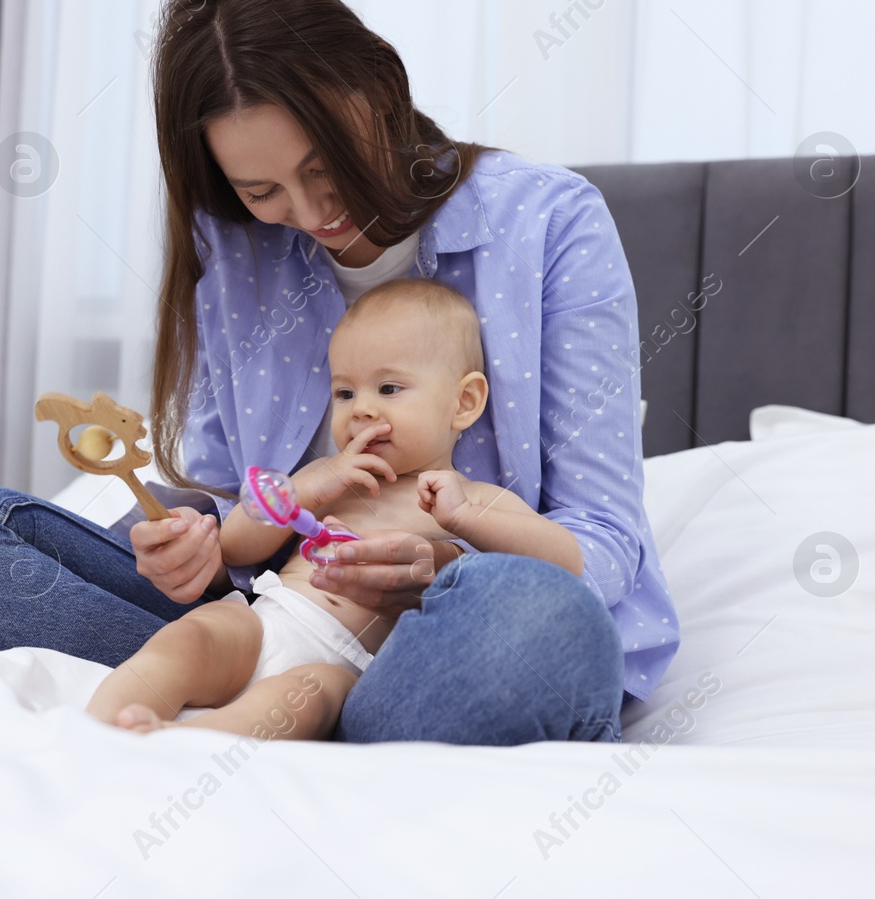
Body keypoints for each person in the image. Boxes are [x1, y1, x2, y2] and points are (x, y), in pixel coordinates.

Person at [0, 0, 678, 746]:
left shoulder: (547, 224)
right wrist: (193, 545)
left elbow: (602, 541)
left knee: (541, 620)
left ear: (379, 88)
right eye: (263, 193)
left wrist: (435, 561)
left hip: (454, 618)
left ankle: (325, 707)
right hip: (275, 607)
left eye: (324, 166)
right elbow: (226, 503)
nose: (312, 212)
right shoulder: (235, 246)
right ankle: (263, 705)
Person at [85, 278, 581, 739]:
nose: (360, 408)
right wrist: (303, 489)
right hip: (267, 619)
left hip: (347, 663)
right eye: (345, 392)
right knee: (191, 637)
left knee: (302, 700)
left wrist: (465, 521)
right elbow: (234, 549)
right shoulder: (335, 484)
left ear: (464, 402)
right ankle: (101, 724)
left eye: (389, 388)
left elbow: (566, 563)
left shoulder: (474, 498)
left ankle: (190, 741)